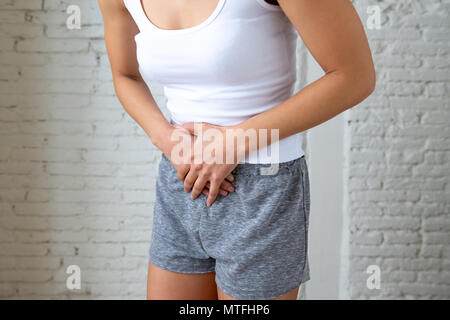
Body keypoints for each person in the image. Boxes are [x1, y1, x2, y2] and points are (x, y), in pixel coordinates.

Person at [98, 0, 375, 300]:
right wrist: (167, 139)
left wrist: (233, 143)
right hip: (180, 180)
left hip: (263, 187)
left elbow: (354, 75)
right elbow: (125, 75)